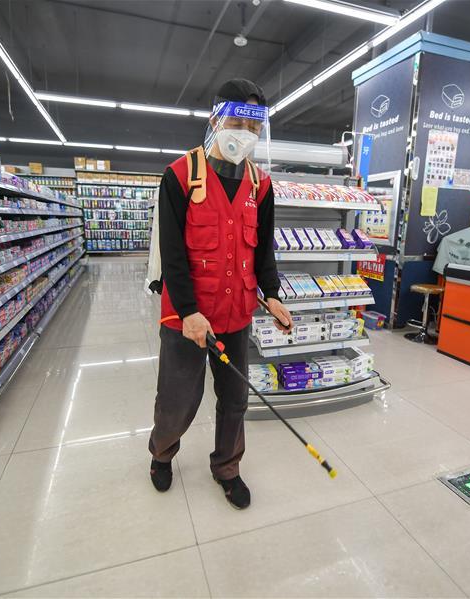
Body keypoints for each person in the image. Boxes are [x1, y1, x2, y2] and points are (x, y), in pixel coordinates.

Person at [148, 78, 292, 509]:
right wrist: (189, 311)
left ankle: (227, 468)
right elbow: (171, 254)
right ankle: (161, 453)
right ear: (215, 118)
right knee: (178, 400)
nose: (244, 134)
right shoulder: (178, 176)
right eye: (237, 121)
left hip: (236, 312)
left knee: (235, 399)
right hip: (187, 319)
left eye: (254, 127)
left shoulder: (260, 185)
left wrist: (273, 292)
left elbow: (263, 247)